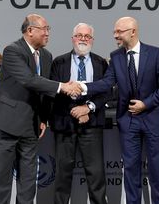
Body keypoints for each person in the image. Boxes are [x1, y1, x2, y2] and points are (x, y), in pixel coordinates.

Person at [0, 14, 81, 204]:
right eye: (44, 29)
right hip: (6, 124)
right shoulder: (12, 50)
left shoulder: (46, 56)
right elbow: (29, 80)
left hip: (31, 126)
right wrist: (63, 86)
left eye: (48, 30)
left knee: (29, 180)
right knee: (0, 179)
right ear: (30, 31)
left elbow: (43, 91)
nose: (48, 33)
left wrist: (44, 118)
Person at [80, 16, 159, 204]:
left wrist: (145, 104)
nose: (115, 36)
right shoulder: (116, 57)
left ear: (133, 31)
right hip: (128, 121)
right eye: (114, 32)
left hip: (153, 119)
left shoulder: (155, 54)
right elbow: (107, 82)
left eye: (119, 32)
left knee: (157, 170)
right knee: (130, 169)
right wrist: (83, 87)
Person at [49, 23, 108, 204]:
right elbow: (53, 91)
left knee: (96, 174)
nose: (83, 39)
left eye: (87, 36)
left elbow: (106, 91)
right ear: (73, 38)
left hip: (91, 124)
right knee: (62, 175)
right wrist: (74, 111)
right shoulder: (59, 62)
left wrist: (87, 108)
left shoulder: (100, 63)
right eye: (79, 35)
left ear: (92, 40)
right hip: (65, 125)